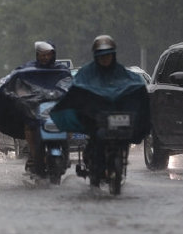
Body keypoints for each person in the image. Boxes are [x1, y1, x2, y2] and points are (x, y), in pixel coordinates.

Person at [50, 35, 150, 186]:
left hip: (118, 121)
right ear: (96, 56)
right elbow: (76, 92)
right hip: (95, 120)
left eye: (108, 55)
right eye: (101, 56)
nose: (105, 59)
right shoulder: (86, 74)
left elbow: (134, 88)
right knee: (96, 142)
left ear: (113, 55)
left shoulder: (123, 74)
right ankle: (95, 168)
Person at [0, 41, 72, 178]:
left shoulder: (62, 71)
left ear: (53, 55)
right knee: (29, 126)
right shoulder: (27, 69)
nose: (45, 58)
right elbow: (12, 79)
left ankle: (66, 153)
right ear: (37, 55)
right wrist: (13, 91)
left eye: (47, 55)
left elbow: (70, 86)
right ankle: (34, 154)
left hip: (56, 111)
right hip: (35, 111)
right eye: (41, 55)